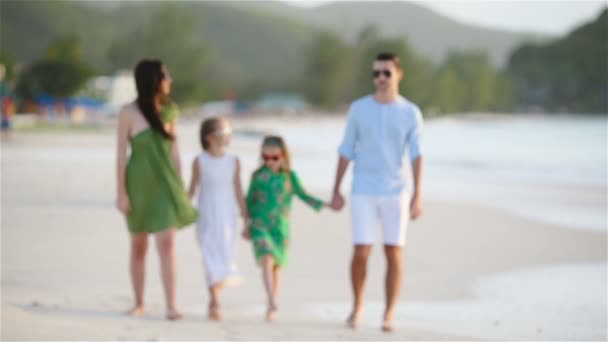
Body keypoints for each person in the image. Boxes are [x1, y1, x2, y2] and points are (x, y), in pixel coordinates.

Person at [330, 52, 424, 332]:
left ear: (399, 74)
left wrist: (418, 195)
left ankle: (389, 313)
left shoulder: (411, 112)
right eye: (376, 73)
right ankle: (357, 305)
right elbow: (346, 149)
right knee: (361, 250)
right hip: (363, 188)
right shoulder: (359, 109)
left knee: (394, 252)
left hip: (396, 190)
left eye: (386, 72)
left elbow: (418, 154)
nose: (381, 78)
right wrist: (336, 189)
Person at [115, 59, 197, 321]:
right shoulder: (128, 112)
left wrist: (180, 187)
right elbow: (120, 155)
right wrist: (121, 193)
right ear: (154, 80)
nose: (170, 80)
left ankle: (171, 305)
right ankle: (138, 302)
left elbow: (175, 152)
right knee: (139, 246)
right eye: (166, 76)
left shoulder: (171, 111)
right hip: (138, 185)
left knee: (167, 244)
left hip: (165, 185)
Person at [243, 135, 329, 322]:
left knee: (276, 266)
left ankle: (272, 304)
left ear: (283, 156)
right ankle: (271, 300)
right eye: (266, 157)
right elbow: (249, 201)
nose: (270, 162)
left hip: (280, 229)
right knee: (266, 259)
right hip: (259, 225)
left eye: (274, 157)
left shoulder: (290, 177)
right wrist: (245, 225)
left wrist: (325, 204)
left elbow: (303, 195)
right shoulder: (257, 177)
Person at [188, 117, 248, 321]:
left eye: (230, 133)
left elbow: (238, 189)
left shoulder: (234, 161)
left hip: (227, 214)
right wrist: (183, 209)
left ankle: (215, 296)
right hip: (206, 213)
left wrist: (245, 215)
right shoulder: (200, 161)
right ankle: (214, 299)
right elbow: (193, 188)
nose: (228, 137)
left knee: (225, 255)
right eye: (224, 133)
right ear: (209, 138)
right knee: (208, 254)